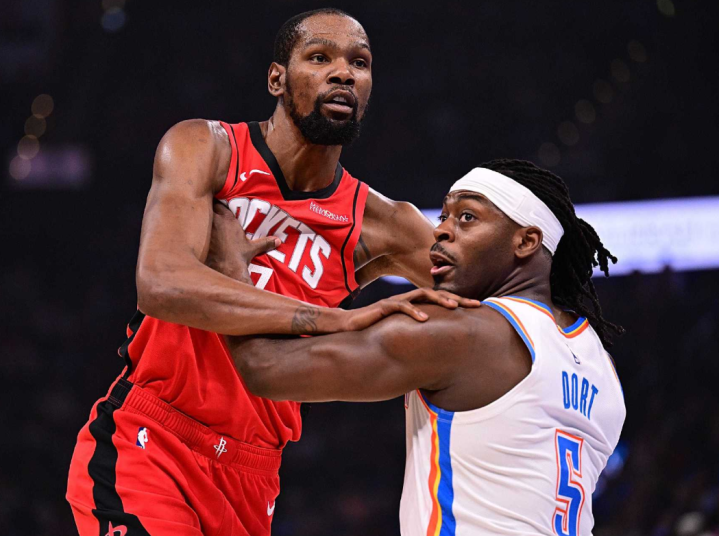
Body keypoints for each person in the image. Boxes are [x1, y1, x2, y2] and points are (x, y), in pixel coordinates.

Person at [66, 7, 479, 536]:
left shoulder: (383, 223)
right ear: (276, 79)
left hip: (254, 475)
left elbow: (492, 304)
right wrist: (333, 319)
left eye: (360, 62)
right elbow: (161, 283)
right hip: (152, 440)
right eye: (320, 57)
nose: (343, 73)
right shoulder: (206, 148)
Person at [217, 160, 627, 536]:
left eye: (467, 217)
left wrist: (231, 267)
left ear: (526, 241)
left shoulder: (462, 332)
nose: (442, 231)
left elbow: (264, 368)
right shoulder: (601, 365)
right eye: (444, 216)